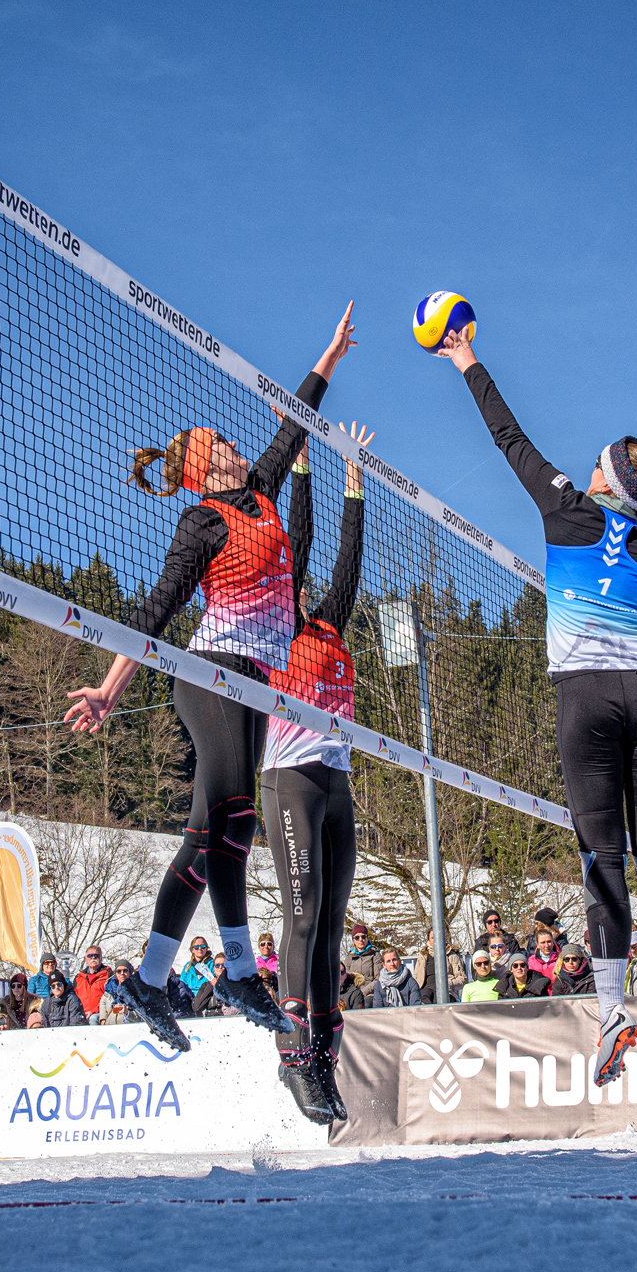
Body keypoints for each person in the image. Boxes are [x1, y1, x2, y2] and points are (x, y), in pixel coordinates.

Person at [438, 328, 637, 1087]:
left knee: (603, 859)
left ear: (603, 477)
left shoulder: (566, 507)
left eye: (597, 463)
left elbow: (508, 436)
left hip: (585, 695)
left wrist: (466, 359)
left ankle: (610, 1019)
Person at [68, 305, 359, 1050]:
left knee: (213, 834)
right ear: (201, 469)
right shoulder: (202, 520)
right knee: (233, 817)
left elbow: (292, 428)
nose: (232, 444)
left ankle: (158, 977)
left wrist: (327, 359)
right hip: (212, 674)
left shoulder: (260, 492)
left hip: (256, 682)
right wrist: (109, 689)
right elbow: (157, 609)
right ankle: (227, 971)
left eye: (229, 440)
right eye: (218, 443)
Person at [261, 425, 373, 1125]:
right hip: (290, 777)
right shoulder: (277, 629)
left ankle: (324, 1055)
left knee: (331, 923)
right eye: (292, 584)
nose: (301, 588)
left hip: (335, 779)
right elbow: (299, 543)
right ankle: (291, 1050)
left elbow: (347, 564)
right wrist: (301, 468)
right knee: (302, 913)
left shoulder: (329, 624)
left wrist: (354, 485)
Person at [73, 946, 110, 1017]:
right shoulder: (79, 977)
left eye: (96, 955)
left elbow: (109, 999)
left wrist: (92, 1012)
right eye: (90, 956)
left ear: (101, 958)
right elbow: (73, 998)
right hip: (81, 1014)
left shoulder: (108, 975)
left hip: (101, 1014)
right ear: (86, 959)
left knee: (93, 1018)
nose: (93, 958)